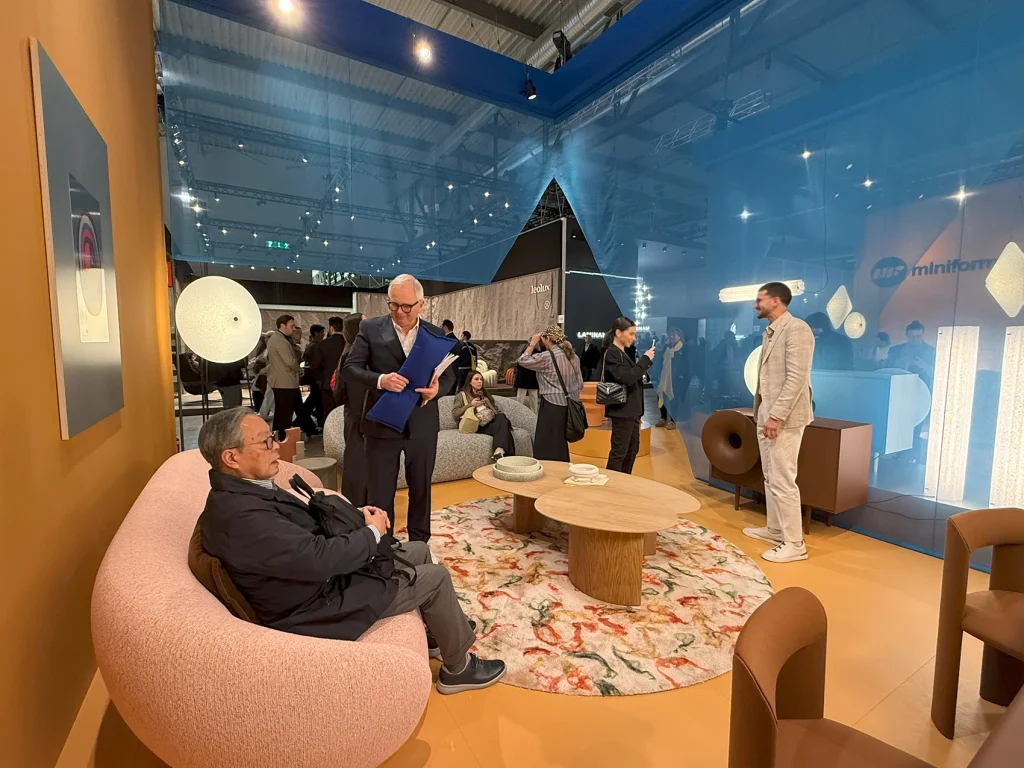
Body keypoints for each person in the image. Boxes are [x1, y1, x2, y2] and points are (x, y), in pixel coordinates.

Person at [196, 408, 505, 694]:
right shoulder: (241, 516)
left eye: (272, 437)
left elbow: (303, 538)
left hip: (318, 585)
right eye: (265, 442)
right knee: (434, 578)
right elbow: (319, 559)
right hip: (315, 608)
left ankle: (440, 634)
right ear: (231, 457)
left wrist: (355, 518)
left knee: (417, 551)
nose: (276, 447)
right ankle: (458, 669)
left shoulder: (246, 491)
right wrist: (371, 532)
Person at [343, 275, 456, 542]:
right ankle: (382, 545)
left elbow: (451, 376)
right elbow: (350, 368)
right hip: (381, 424)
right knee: (380, 493)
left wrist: (437, 390)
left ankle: (420, 543)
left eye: (406, 306)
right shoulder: (371, 328)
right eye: (393, 305)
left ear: (421, 304)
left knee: (421, 489)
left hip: (422, 424)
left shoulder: (435, 334)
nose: (399, 312)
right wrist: (381, 380)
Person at [743, 282, 815, 563]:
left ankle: (795, 544)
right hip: (767, 414)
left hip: (784, 419)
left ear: (775, 300)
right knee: (770, 476)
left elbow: (796, 378)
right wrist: (765, 414)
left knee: (783, 479)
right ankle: (775, 529)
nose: (755, 305)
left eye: (759, 300)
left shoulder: (797, 329)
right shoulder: (770, 332)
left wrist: (777, 416)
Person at [517, 326, 584, 461]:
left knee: (547, 441)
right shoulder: (573, 356)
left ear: (547, 339)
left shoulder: (546, 357)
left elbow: (522, 361)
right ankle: (562, 465)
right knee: (560, 440)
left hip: (551, 403)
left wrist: (532, 343)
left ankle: (548, 467)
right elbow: (580, 384)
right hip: (571, 404)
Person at [601, 317, 655, 474]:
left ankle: (624, 481)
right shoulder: (612, 353)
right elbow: (627, 378)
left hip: (630, 411)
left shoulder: (621, 353)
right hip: (622, 411)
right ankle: (614, 484)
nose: (634, 338)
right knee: (620, 453)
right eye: (631, 334)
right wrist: (645, 360)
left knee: (631, 450)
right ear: (618, 333)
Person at [887, 321, 936, 462]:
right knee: (897, 426)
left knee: (916, 426)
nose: (915, 340)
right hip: (898, 393)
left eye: (918, 337)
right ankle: (899, 454)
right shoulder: (895, 350)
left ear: (923, 335)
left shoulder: (931, 351)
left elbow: (939, 372)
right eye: (912, 337)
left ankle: (911, 457)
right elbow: (887, 368)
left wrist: (924, 366)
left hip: (920, 394)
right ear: (906, 335)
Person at [332, 313, 367, 506]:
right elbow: (355, 390)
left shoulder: (351, 350)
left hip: (355, 413)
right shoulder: (353, 354)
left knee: (357, 458)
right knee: (357, 460)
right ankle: (357, 503)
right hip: (358, 414)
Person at [267, 315, 317, 440]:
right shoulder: (279, 340)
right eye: (292, 326)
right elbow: (289, 361)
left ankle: (281, 438)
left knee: (285, 413)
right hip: (284, 382)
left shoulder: (279, 339)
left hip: (284, 381)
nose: (294, 329)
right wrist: (299, 370)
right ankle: (283, 440)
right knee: (284, 415)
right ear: (282, 326)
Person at [452, 371, 515, 461]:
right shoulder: (461, 395)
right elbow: (455, 413)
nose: (479, 382)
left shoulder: (485, 394)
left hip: (489, 421)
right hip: (475, 424)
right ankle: (509, 458)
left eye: (481, 379)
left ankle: (499, 451)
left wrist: (486, 401)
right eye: (476, 379)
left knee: (502, 417)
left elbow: (496, 410)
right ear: (470, 382)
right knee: (504, 428)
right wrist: (470, 405)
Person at [311, 317, 346, 420]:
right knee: (344, 414)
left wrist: (322, 378)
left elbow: (315, 366)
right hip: (345, 384)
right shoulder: (349, 344)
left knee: (329, 414)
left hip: (327, 384)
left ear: (331, 328)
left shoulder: (322, 344)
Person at [656, 329, 686, 429]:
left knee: (674, 400)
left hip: (676, 379)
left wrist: (683, 376)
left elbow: (687, 364)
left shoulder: (683, 349)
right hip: (664, 377)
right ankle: (663, 418)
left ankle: (673, 421)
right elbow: (660, 360)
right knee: (661, 397)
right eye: (670, 335)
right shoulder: (667, 347)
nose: (671, 337)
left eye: (674, 335)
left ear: (679, 336)